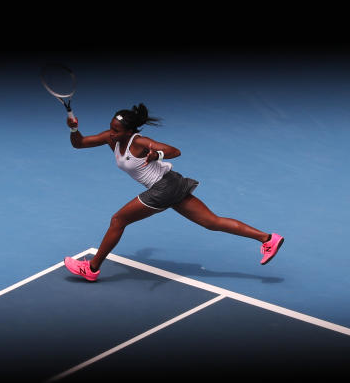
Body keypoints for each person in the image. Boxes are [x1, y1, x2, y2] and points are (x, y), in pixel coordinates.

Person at [63, 103, 283, 282]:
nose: (111, 133)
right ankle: (267, 238)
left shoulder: (139, 142)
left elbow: (174, 151)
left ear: (129, 132)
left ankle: (91, 269)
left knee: (118, 220)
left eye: (116, 130)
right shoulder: (111, 139)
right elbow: (80, 143)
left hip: (163, 188)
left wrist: (156, 155)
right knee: (211, 222)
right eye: (111, 128)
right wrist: (73, 128)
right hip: (171, 184)